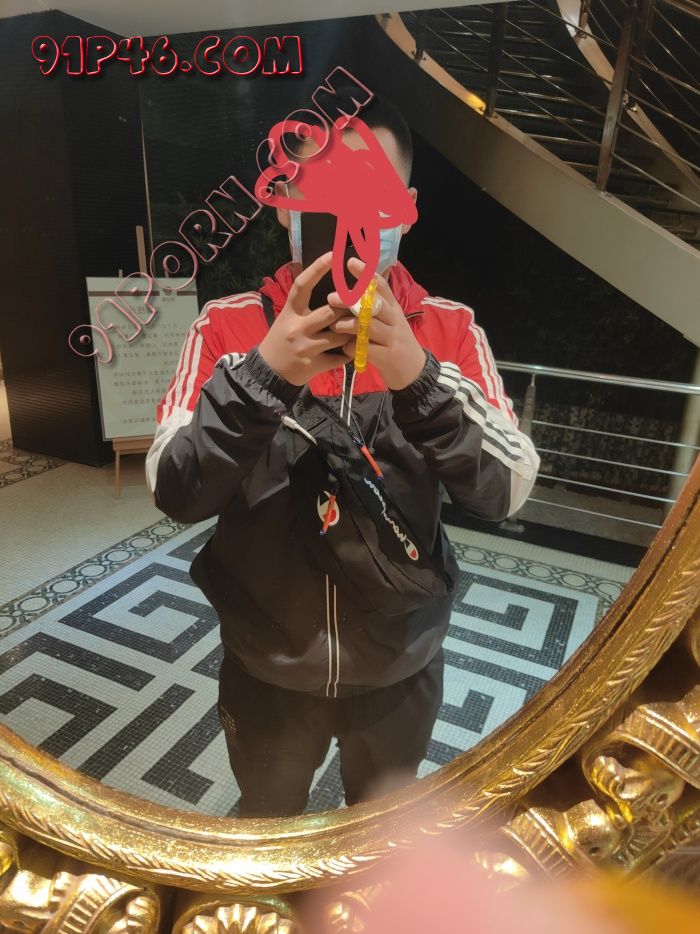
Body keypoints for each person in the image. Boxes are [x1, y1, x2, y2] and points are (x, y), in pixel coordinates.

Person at [145, 96, 540, 817]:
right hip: (265, 665)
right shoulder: (227, 328)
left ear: (407, 211)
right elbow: (176, 491)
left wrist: (418, 379)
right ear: (284, 203)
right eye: (322, 188)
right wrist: (262, 375)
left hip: (401, 667)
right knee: (268, 824)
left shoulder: (448, 332)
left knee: (380, 838)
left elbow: (505, 491)